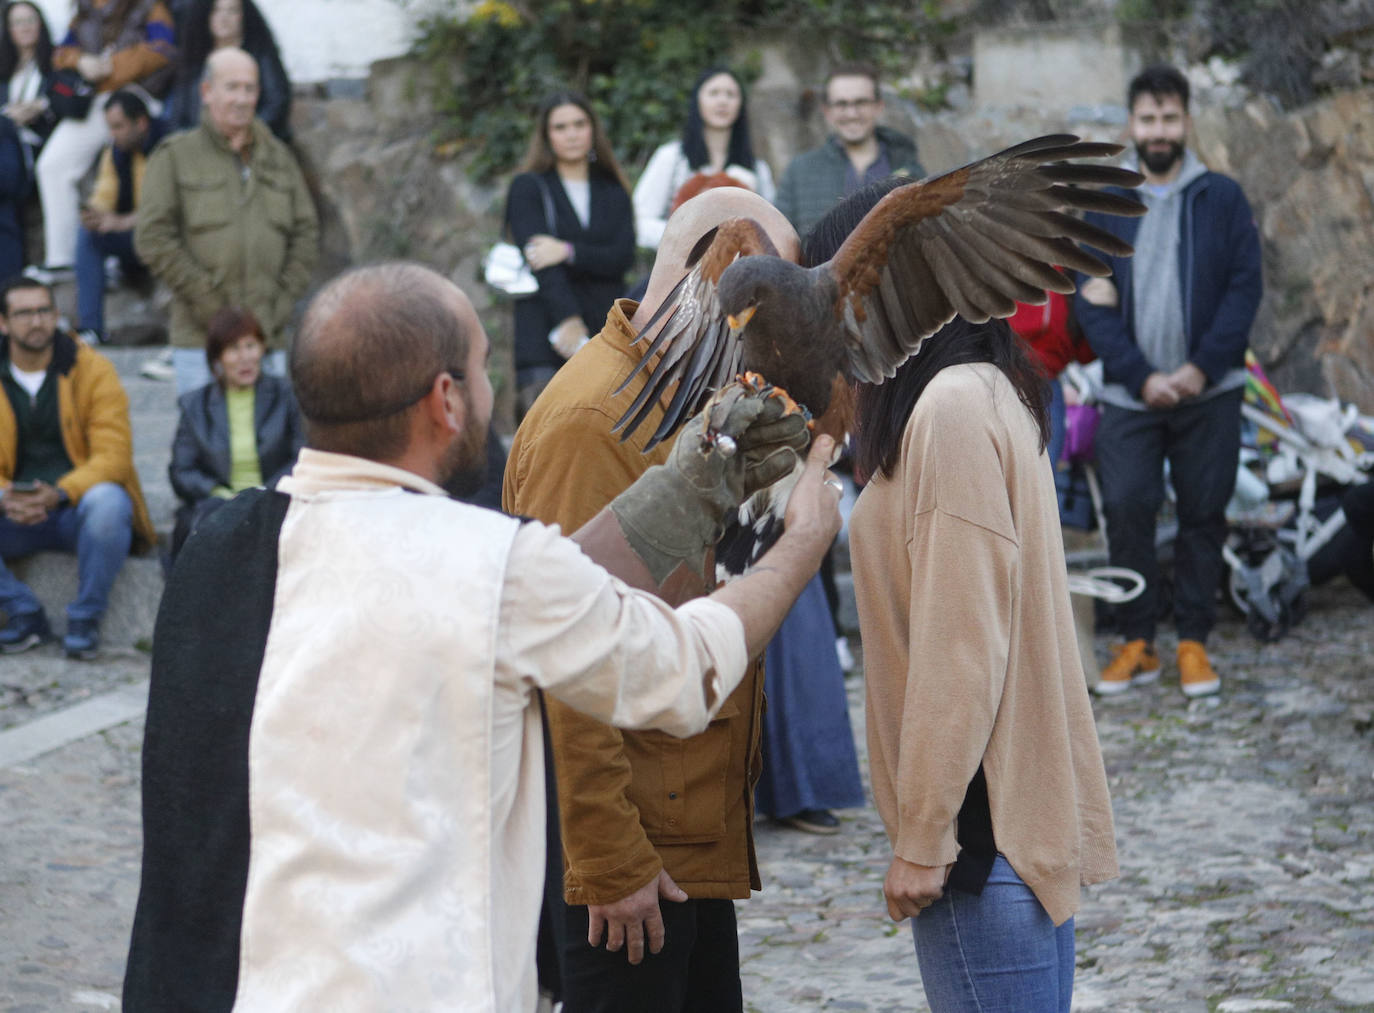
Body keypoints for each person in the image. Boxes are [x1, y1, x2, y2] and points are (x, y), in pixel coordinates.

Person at [123, 260, 838, 1012]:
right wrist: (801, 543)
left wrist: (693, 485)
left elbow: (537, 588)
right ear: (446, 400)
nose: (489, 384)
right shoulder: (489, 568)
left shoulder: (218, 548)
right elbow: (679, 669)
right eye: (480, 364)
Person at [504, 186, 802, 1013]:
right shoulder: (594, 419)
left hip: (679, 825)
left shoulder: (674, 391)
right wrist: (610, 858)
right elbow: (562, 650)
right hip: (632, 855)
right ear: (729, 281)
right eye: (769, 306)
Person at [829, 174, 1117, 1013]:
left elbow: (963, 645)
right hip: (1001, 837)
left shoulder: (950, 410)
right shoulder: (988, 389)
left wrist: (922, 838)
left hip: (980, 844)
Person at [1074, 64, 1263, 698]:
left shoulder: (1222, 198)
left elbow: (1243, 291)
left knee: (1203, 515)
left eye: (1170, 118)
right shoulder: (1107, 201)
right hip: (1131, 395)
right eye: (1148, 119)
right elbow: (1089, 301)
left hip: (1209, 391)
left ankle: (1193, 642)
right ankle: (1137, 642)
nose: (1159, 130)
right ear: (1132, 124)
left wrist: (1197, 368)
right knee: (1127, 509)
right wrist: (1143, 375)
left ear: (1187, 121)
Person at [136, 47, 318, 395]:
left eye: (250, 89)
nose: (242, 98)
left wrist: (278, 306)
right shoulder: (175, 156)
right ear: (207, 92)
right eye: (231, 87)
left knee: (271, 447)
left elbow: (306, 234)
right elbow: (153, 237)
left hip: (267, 340)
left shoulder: (279, 158)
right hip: (201, 340)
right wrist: (210, 305)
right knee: (205, 446)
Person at [0, 274, 154, 657]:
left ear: (56, 315)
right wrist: (5, 495)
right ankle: (23, 612)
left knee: (110, 502)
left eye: (43, 311)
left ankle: (85, 618)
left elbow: (114, 455)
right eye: (23, 313)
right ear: (3, 322)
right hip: (13, 514)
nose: (36, 322)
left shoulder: (92, 369)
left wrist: (62, 492)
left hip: (75, 510)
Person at [504, 90, 634, 419]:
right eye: (560, 127)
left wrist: (567, 251)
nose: (572, 134)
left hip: (605, 336)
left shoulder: (613, 189)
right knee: (542, 455)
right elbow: (541, 265)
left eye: (579, 124)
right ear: (547, 136)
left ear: (593, 129)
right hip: (548, 335)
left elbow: (621, 257)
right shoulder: (528, 188)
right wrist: (568, 319)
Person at [31, 0, 175, 277]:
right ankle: (63, 258)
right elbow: (60, 53)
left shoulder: (149, 7)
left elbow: (164, 48)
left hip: (137, 96)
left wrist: (113, 68)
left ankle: (123, 252)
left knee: (126, 157)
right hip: (95, 101)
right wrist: (81, 61)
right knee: (52, 165)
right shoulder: (84, 11)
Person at [167, 304, 301, 558]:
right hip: (218, 505)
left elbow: (301, 458)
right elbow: (181, 472)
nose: (244, 357)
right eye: (233, 349)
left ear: (262, 349)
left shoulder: (287, 397)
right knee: (198, 524)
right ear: (217, 358)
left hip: (274, 500)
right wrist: (220, 493)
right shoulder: (195, 405)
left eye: (251, 346)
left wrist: (261, 494)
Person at [774, 62, 924, 240]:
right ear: (827, 111)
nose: (852, 114)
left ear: (878, 106)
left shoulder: (909, 168)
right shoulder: (798, 172)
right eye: (841, 104)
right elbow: (780, 243)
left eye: (861, 102)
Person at [631, 66, 775, 250]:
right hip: (678, 270)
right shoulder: (671, 158)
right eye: (713, 93)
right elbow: (639, 221)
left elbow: (771, 228)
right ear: (697, 100)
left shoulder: (758, 169)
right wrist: (688, 238)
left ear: (741, 105)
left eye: (731, 95)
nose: (722, 101)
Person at [72, 87, 163, 344]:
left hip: (167, 235)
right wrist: (94, 215)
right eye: (110, 127)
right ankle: (91, 328)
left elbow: (171, 207)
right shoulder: (115, 152)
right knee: (88, 235)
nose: (112, 134)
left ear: (141, 122)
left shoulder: (170, 146)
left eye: (118, 126)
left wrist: (122, 222)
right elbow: (104, 195)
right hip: (136, 237)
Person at [166, 0, 289, 140]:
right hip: (200, 145)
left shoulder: (261, 55)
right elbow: (179, 115)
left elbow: (276, 104)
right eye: (217, 10)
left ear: (244, 16)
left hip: (250, 142)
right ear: (205, 15)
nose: (224, 17)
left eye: (232, 10)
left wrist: (246, 136)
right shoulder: (195, 57)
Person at [0, 1, 56, 169]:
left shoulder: (57, 61)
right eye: (17, 22)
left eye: (30, 20)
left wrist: (40, 105)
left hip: (36, 142)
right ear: (9, 29)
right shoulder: (5, 69)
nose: (25, 27)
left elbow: (65, 102)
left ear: (40, 23)